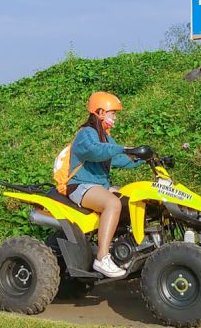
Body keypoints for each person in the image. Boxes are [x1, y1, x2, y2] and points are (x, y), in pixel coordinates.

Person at [56, 92, 143, 278]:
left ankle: (124, 251)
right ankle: (102, 258)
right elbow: (95, 151)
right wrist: (124, 148)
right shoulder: (86, 134)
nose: (115, 118)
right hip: (80, 186)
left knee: (131, 199)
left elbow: (118, 159)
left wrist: (144, 159)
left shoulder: (106, 137)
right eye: (113, 113)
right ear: (101, 112)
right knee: (112, 203)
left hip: (97, 187)